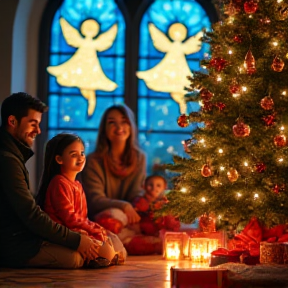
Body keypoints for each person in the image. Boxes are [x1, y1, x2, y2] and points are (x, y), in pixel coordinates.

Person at [0, 92, 99, 268]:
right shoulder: (8, 160)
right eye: (33, 124)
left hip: (22, 237)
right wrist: (76, 240)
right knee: (74, 259)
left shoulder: (14, 156)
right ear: (12, 121)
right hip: (13, 244)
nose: (38, 131)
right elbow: (30, 214)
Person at [36, 133, 126, 266]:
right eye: (73, 155)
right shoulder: (59, 183)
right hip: (67, 232)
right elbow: (70, 219)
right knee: (106, 250)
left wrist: (96, 228)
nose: (80, 158)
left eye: (82, 153)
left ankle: (106, 256)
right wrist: (92, 231)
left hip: (78, 228)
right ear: (59, 159)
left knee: (115, 241)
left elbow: (83, 217)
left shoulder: (77, 185)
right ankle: (102, 257)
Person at [81, 104, 146, 233]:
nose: (119, 127)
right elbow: (95, 201)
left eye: (124, 121)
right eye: (112, 123)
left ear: (131, 126)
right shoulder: (93, 160)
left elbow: (136, 193)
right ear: (104, 129)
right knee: (114, 215)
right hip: (101, 219)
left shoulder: (140, 158)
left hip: (130, 215)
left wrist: (142, 203)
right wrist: (123, 206)